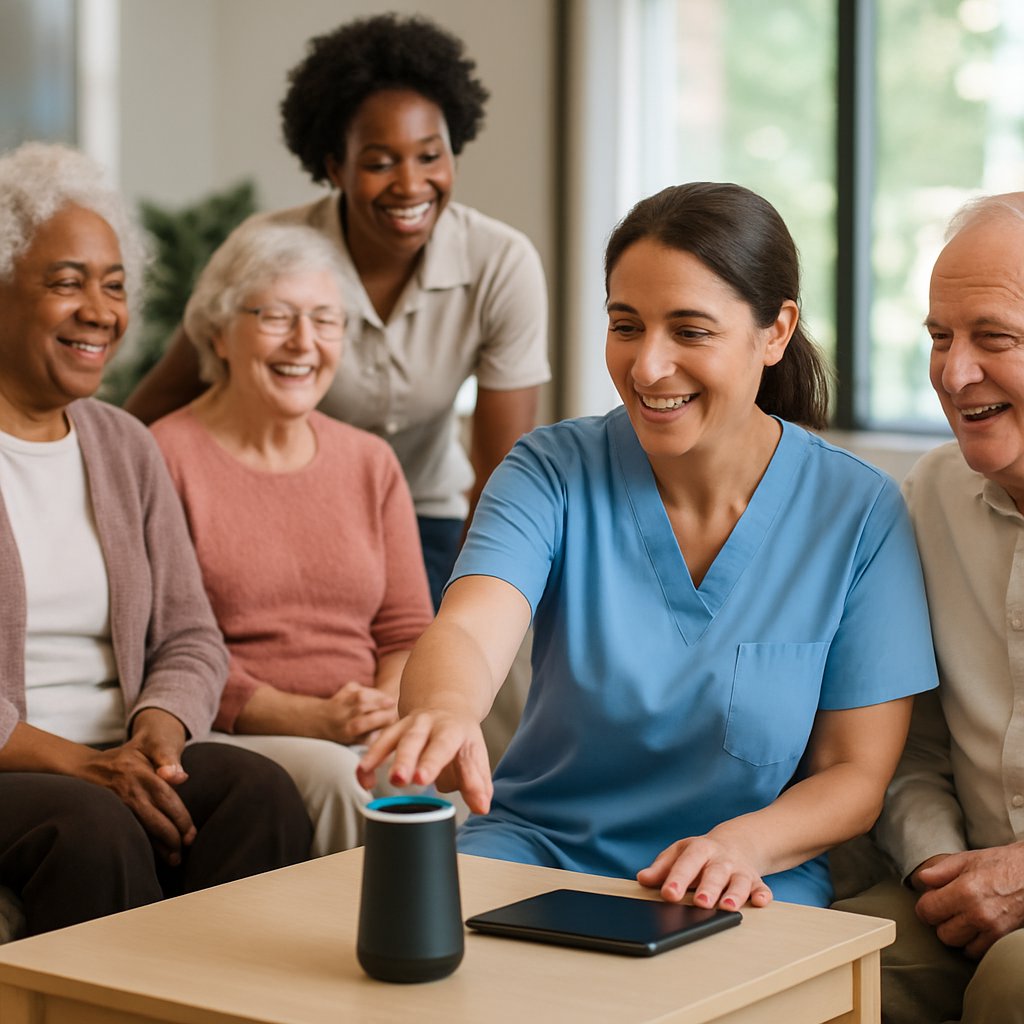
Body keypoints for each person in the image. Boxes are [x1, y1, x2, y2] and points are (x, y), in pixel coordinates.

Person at [357, 182, 939, 910]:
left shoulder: (858, 512)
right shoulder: (550, 471)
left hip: (746, 873)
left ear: (776, 331)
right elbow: (471, 627)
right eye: (626, 326)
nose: (647, 367)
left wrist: (741, 848)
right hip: (540, 850)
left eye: (690, 331)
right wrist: (445, 708)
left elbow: (855, 776)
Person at [124, 13, 551, 609]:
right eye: (379, 162)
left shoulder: (501, 263)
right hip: (284, 506)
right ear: (334, 167)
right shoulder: (269, 252)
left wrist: (459, 613)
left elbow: (503, 479)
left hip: (429, 517)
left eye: (430, 156)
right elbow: (161, 401)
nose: (411, 185)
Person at [0, 142, 312, 938]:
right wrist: (83, 764)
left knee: (258, 791)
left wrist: (158, 736)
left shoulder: (123, 445)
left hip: (120, 751)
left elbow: (189, 634)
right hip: (25, 770)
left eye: (114, 286)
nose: (101, 311)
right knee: (91, 826)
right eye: (66, 283)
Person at [150, 221, 434, 857]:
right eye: (277, 316)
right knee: (341, 780)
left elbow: (407, 631)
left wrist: (381, 705)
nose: (304, 342)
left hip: (359, 722)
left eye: (326, 320)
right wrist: (310, 719)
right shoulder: (164, 457)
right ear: (219, 332)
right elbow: (163, 646)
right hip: (229, 730)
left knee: (438, 776)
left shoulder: (370, 461)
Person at [836, 193, 1024, 1024]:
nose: (954, 373)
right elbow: (910, 748)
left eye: (995, 338)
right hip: (958, 892)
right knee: (801, 972)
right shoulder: (930, 496)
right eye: (939, 337)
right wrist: (941, 869)